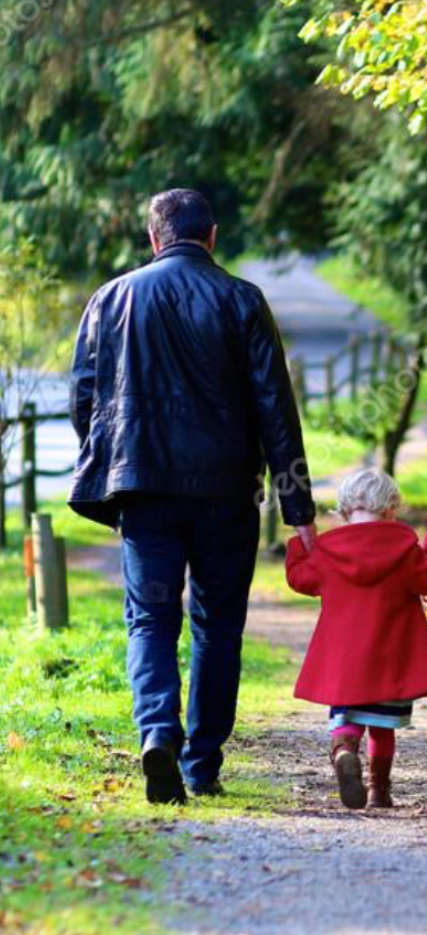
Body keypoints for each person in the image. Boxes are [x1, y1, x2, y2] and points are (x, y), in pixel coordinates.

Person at [68, 188, 316, 805]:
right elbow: (276, 410)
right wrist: (298, 510)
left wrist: (112, 467)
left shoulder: (110, 299)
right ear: (212, 236)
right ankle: (201, 764)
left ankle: (157, 731)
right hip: (225, 494)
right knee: (218, 626)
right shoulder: (242, 299)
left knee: (150, 619)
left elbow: (84, 400)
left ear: (155, 238)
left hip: (143, 489)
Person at [285, 468, 427, 810]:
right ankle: (378, 791)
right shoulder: (406, 550)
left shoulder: (327, 551)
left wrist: (300, 546)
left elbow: (301, 579)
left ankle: (344, 752)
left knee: (346, 720)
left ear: (344, 510)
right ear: (390, 509)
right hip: (391, 661)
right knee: (382, 727)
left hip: (344, 663)